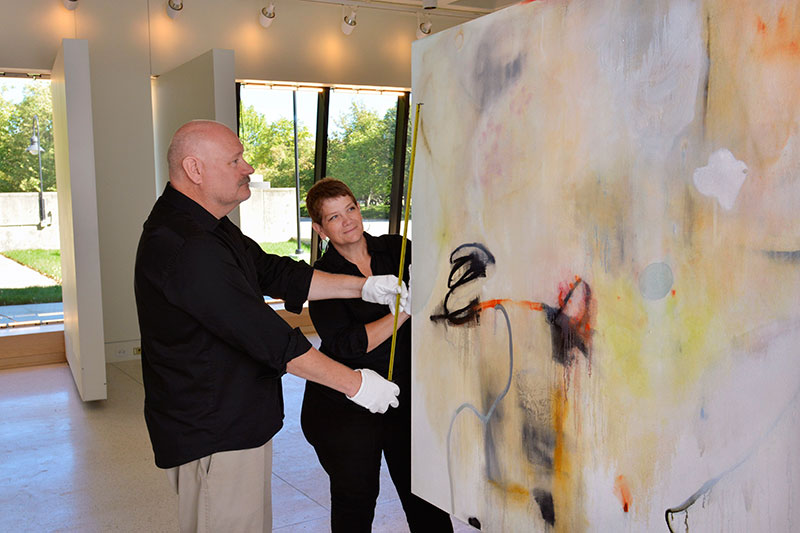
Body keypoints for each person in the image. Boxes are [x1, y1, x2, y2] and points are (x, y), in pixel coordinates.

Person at [134, 120, 406, 533]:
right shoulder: (186, 245)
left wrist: (363, 286)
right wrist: (356, 385)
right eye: (235, 160)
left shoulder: (209, 225)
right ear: (194, 169)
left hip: (237, 420)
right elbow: (266, 335)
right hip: (214, 430)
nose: (248, 168)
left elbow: (275, 273)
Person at [301, 178, 453, 532]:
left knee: (425, 497)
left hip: (402, 395)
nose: (348, 221)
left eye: (350, 208)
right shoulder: (322, 278)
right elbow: (348, 345)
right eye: (334, 217)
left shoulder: (397, 248)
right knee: (356, 499)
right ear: (320, 230)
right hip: (347, 404)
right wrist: (403, 312)